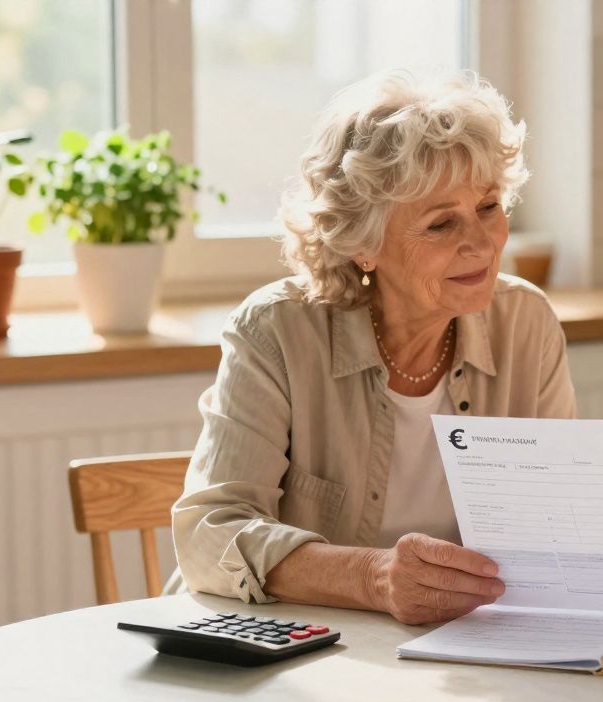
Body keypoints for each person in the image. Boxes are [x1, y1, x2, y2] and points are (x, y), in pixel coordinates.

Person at [170, 69, 576, 625]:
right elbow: (210, 532)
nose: (481, 243)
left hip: (454, 653)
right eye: (440, 224)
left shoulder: (526, 322)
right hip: (291, 653)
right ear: (364, 243)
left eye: (488, 207)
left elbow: (557, 521)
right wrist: (374, 577)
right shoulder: (277, 331)